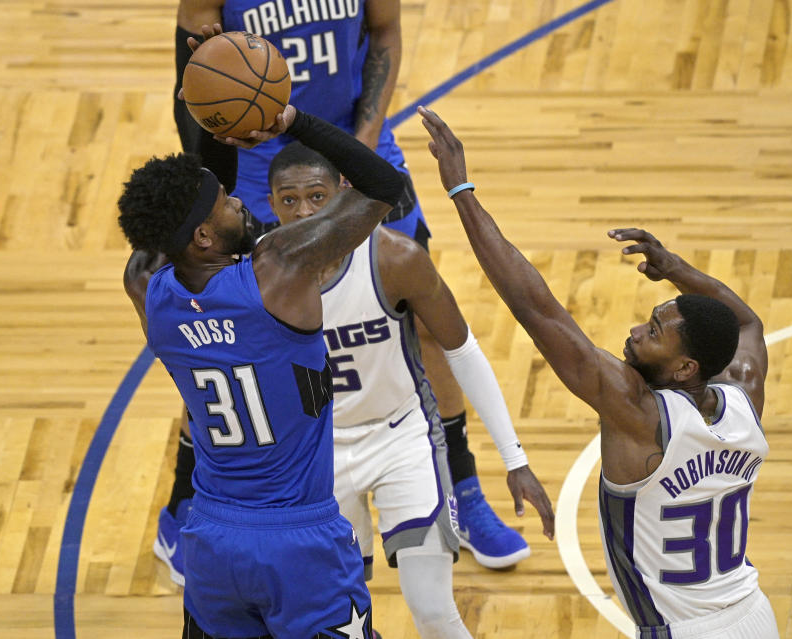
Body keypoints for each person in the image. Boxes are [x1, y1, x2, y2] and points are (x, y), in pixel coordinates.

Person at [159, 4, 534, 579]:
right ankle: (183, 503)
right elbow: (192, 80)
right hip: (256, 169)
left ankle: (462, 489)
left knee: (426, 320)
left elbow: (385, 30)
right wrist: (209, 75)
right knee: (224, 336)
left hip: (351, 145)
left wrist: (359, 140)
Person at [419, 107, 780, 639]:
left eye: (654, 333)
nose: (637, 331)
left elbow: (535, 307)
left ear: (684, 367)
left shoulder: (637, 413)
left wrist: (461, 191)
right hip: (754, 615)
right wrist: (676, 270)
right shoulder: (745, 396)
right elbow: (746, 321)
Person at [119, 104, 403, 638]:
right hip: (298, 540)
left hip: (210, 538)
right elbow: (384, 183)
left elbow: (177, 221)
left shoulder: (147, 291)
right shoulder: (280, 269)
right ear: (203, 237)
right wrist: (293, 121)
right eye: (227, 203)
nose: (239, 200)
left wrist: (214, 122)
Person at [264, 141, 554, 637]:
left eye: (316, 195)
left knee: (435, 613)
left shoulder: (393, 258)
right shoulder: (259, 273)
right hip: (316, 454)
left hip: (401, 438)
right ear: (270, 204)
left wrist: (515, 458)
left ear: (343, 193)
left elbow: (463, 351)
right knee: (336, 621)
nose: (304, 211)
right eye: (288, 200)